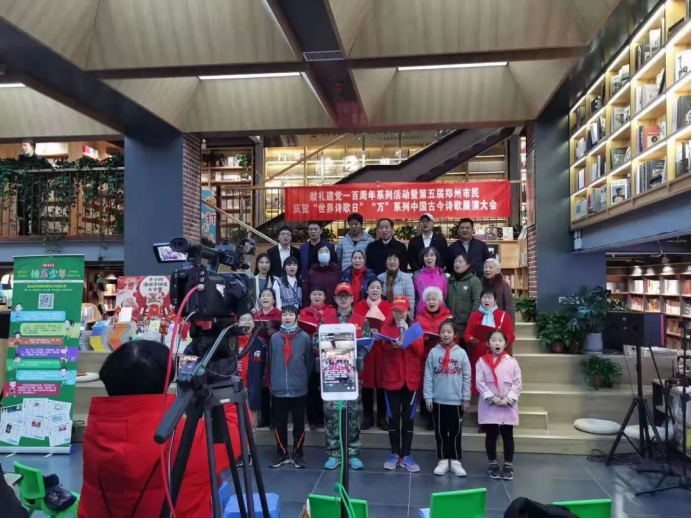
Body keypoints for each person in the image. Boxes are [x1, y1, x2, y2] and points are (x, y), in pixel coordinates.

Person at [79, 341, 240, 518]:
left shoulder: (95, 432)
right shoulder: (190, 437)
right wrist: (223, 382)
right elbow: (238, 427)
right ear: (166, 380)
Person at [322, 283, 372, 471]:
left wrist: (357, 354)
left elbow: (367, 344)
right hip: (332, 374)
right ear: (335, 299)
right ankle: (334, 453)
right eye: (340, 296)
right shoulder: (326, 319)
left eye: (347, 296)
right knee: (331, 415)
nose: (343, 299)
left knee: (352, 414)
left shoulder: (361, 320)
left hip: (352, 374)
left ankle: (353, 453)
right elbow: (316, 341)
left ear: (352, 298)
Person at [379, 296, 424, 473]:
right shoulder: (386, 326)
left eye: (401, 311)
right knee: (393, 418)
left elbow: (420, 350)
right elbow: (384, 345)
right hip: (392, 379)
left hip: (411, 380)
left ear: (408, 311)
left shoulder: (415, 327)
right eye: (395, 311)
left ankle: (406, 455)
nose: (398, 314)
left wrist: (407, 335)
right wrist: (394, 345)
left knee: (408, 419)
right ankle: (394, 453)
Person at [424, 320, 472, 477]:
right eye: (443, 331)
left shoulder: (461, 353)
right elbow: (428, 376)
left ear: (455, 334)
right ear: (439, 334)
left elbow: (467, 376)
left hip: (456, 401)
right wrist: (428, 397)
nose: (446, 334)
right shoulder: (433, 352)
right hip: (438, 400)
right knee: (440, 432)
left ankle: (455, 460)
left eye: (449, 331)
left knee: (455, 432)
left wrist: (466, 398)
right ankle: (443, 459)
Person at [269, 306, 313, 469]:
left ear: (297, 317)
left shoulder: (305, 338)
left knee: (298, 423)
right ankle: (281, 453)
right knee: (279, 423)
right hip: (279, 387)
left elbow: (309, 362)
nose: (287, 317)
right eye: (284, 315)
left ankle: (297, 453)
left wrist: (301, 378)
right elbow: (270, 361)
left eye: (291, 315)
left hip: (298, 388)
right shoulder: (274, 338)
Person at [477, 330, 522, 481]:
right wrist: (492, 398)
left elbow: (517, 383)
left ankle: (508, 464)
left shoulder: (512, 362)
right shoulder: (481, 362)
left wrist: (508, 399)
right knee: (491, 434)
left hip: (507, 405)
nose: (497, 343)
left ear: (505, 344)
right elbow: (480, 383)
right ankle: (493, 463)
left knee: (508, 435)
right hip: (490, 405)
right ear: (487, 343)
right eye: (494, 340)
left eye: (500, 340)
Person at [354, 278, 392, 431]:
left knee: (383, 384)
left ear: (382, 290)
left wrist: (381, 332)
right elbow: (355, 325)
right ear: (367, 290)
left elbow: (391, 326)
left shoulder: (387, 306)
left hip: (383, 350)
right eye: (372, 287)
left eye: (378, 287)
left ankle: (382, 418)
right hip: (366, 350)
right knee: (367, 385)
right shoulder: (359, 306)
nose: (375, 290)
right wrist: (367, 332)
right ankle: (367, 417)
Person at [464, 289, 516, 396]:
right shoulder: (474, 315)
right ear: (480, 300)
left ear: (495, 301)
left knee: (497, 384)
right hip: (479, 355)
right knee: (480, 386)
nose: (486, 300)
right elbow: (466, 334)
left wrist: (500, 341)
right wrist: (471, 339)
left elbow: (511, 335)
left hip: (497, 355)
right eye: (484, 297)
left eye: (489, 297)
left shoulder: (503, 315)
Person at [415, 286, 453, 430]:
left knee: (440, 387)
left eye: (434, 299)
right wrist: (424, 339)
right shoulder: (419, 318)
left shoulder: (448, 317)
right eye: (429, 299)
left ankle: (440, 417)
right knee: (426, 385)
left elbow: (454, 337)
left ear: (440, 301)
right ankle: (428, 417)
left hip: (443, 356)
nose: (431, 302)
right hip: (424, 356)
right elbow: (415, 337)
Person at [299, 286, 337, 430]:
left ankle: (326, 418)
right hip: (309, 353)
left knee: (327, 386)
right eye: (314, 294)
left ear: (324, 297)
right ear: (309, 296)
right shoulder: (303, 312)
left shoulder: (331, 311)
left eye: (320, 294)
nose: (317, 296)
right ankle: (313, 420)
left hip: (328, 354)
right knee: (311, 387)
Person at [253, 288, 283, 429]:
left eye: (268, 295)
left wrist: (276, 332)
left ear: (274, 299)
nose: (265, 298)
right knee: (262, 384)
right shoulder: (255, 315)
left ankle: (276, 420)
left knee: (274, 384)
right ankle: (264, 418)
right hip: (259, 352)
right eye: (263, 295)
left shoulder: (280, 315)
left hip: (276, 352)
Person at [236, 313, 267, 418]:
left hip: (252, 386)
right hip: (235, 386)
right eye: (243, 319)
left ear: (254, 323)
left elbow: (264, 366)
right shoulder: (231, 341)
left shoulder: (260, 343)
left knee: (251, 419)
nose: (247, 322)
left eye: (250, 319)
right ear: (238, 323)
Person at [447, 254, 482, 338]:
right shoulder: (449, 281)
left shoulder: (474, 281)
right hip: (450, 323)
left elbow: (477, 301)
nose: (457, 264)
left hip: (466, 324)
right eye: (455, 262)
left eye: (460, 262)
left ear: (468, 265)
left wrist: (472, 321)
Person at [413, 246, 448, 315]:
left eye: (432, 255)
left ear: (436, 257)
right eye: (426, 256)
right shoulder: (416, 276)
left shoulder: (443, 276)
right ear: (423, 258)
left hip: (440, 314)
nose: (429, 258)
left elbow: (445, 296)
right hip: (421, 313)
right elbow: (414, 297)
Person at [482, 258, 515, 326]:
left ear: (498, 270)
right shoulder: (480, 284)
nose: (487, 269)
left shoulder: (504, 285)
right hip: (482, 322)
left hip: (499, 323)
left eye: (491, 267)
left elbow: (509, 308)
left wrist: (509, 327)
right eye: (485, 267)